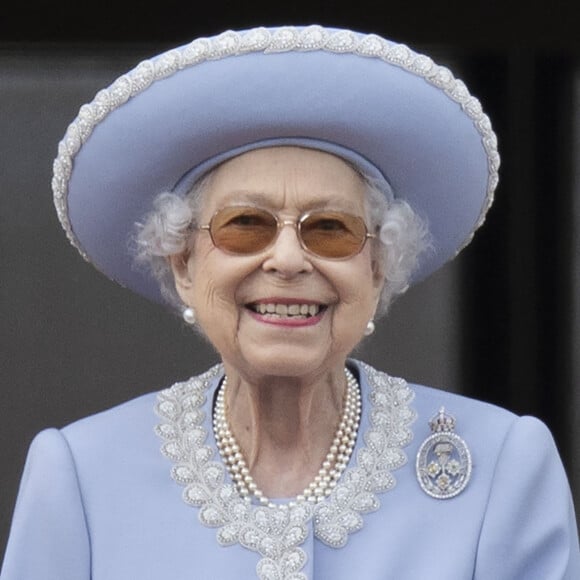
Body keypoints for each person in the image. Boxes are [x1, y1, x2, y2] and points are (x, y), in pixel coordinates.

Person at [1, 24, 579, 580]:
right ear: (182, 265)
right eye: (244, 225)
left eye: (330, 228)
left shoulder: (501, 466)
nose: (287, 260)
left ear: (377, 269)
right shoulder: (82, 474)